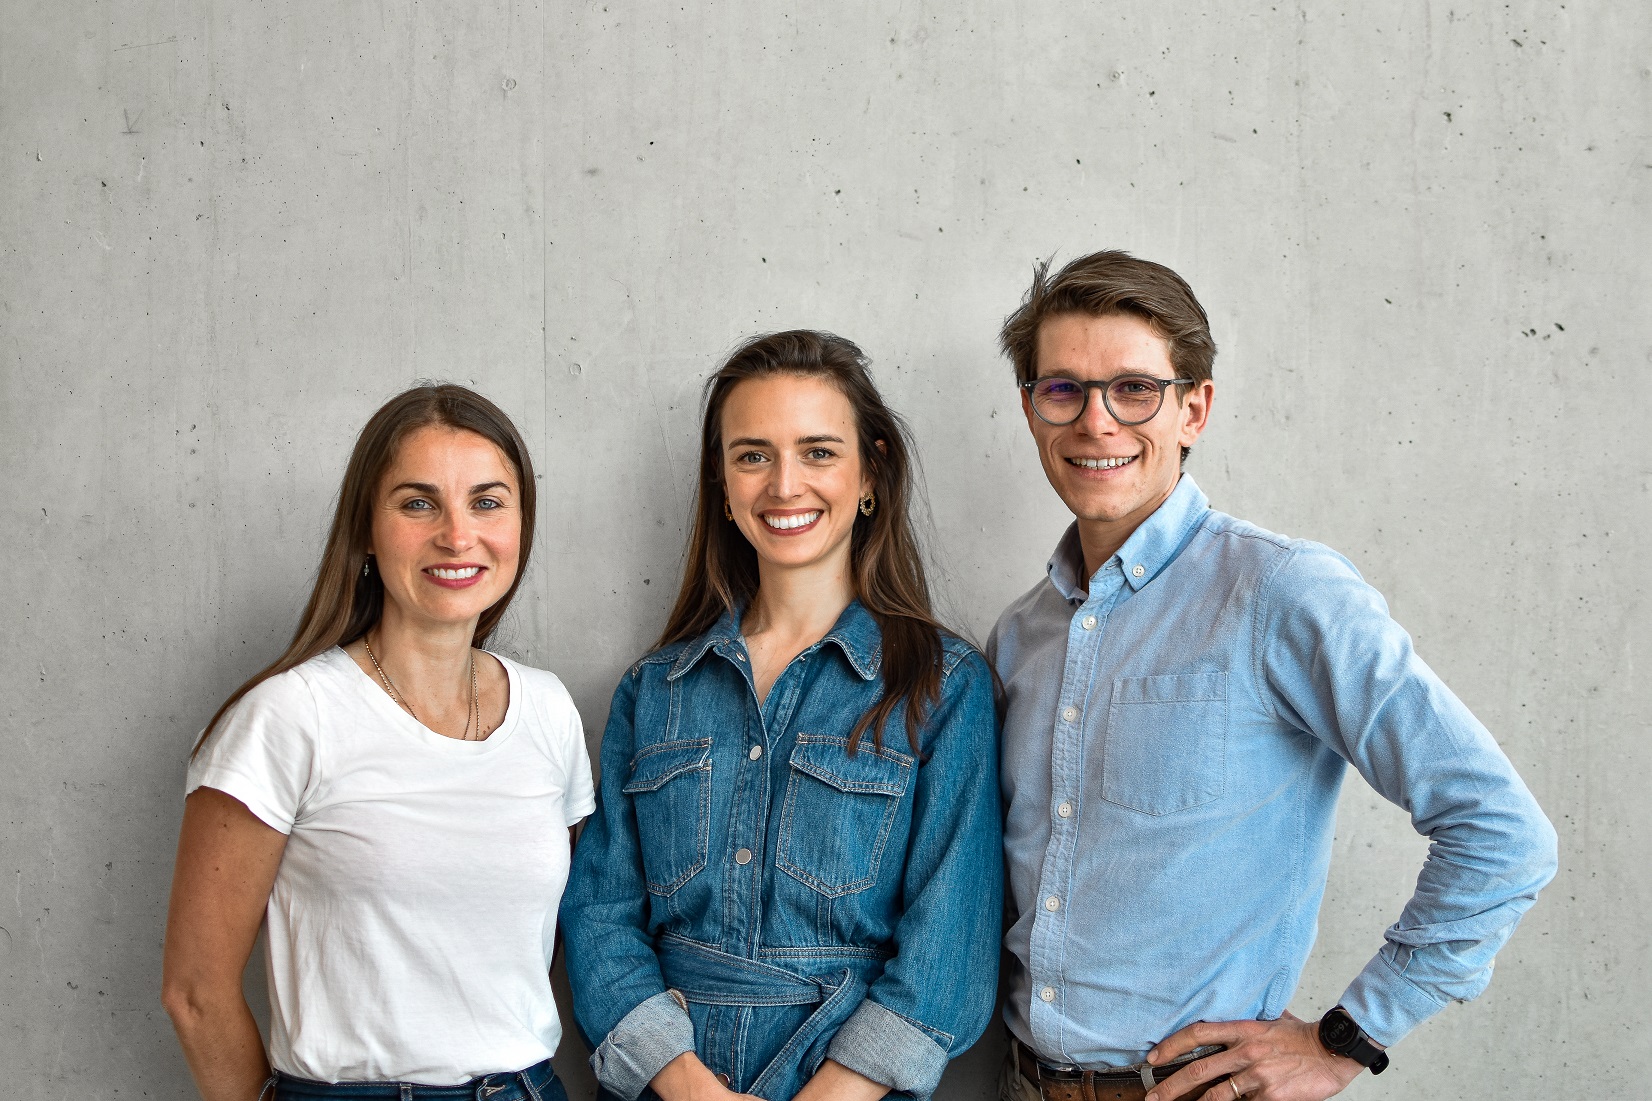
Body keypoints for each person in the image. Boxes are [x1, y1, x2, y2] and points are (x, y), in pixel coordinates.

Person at [988, 251, 1558, 1101]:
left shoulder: (1281, 592)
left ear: (1194, 408)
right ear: (1032, 409)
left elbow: (1503, 831)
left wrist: (1347, 1038)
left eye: (1134, 389)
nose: (1096, 422)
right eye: (1063, 389)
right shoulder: (1019, 636)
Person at [560, 331, 1002, 1101]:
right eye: (753, 455)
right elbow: (600, 918)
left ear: (870, 471)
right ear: (722, 480)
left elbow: (949, 955)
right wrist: (693, 1090)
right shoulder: (653, 690)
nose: (784, 484)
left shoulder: (942, 687)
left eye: (818, 452)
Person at [162, 384, 593, 1101]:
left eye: (487, 502)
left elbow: (548, 941)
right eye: (418, 503)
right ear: (365, 527)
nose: (457, 535)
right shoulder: (289, 717)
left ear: (521, 522)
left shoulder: (548, 709)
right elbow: (194, 992)